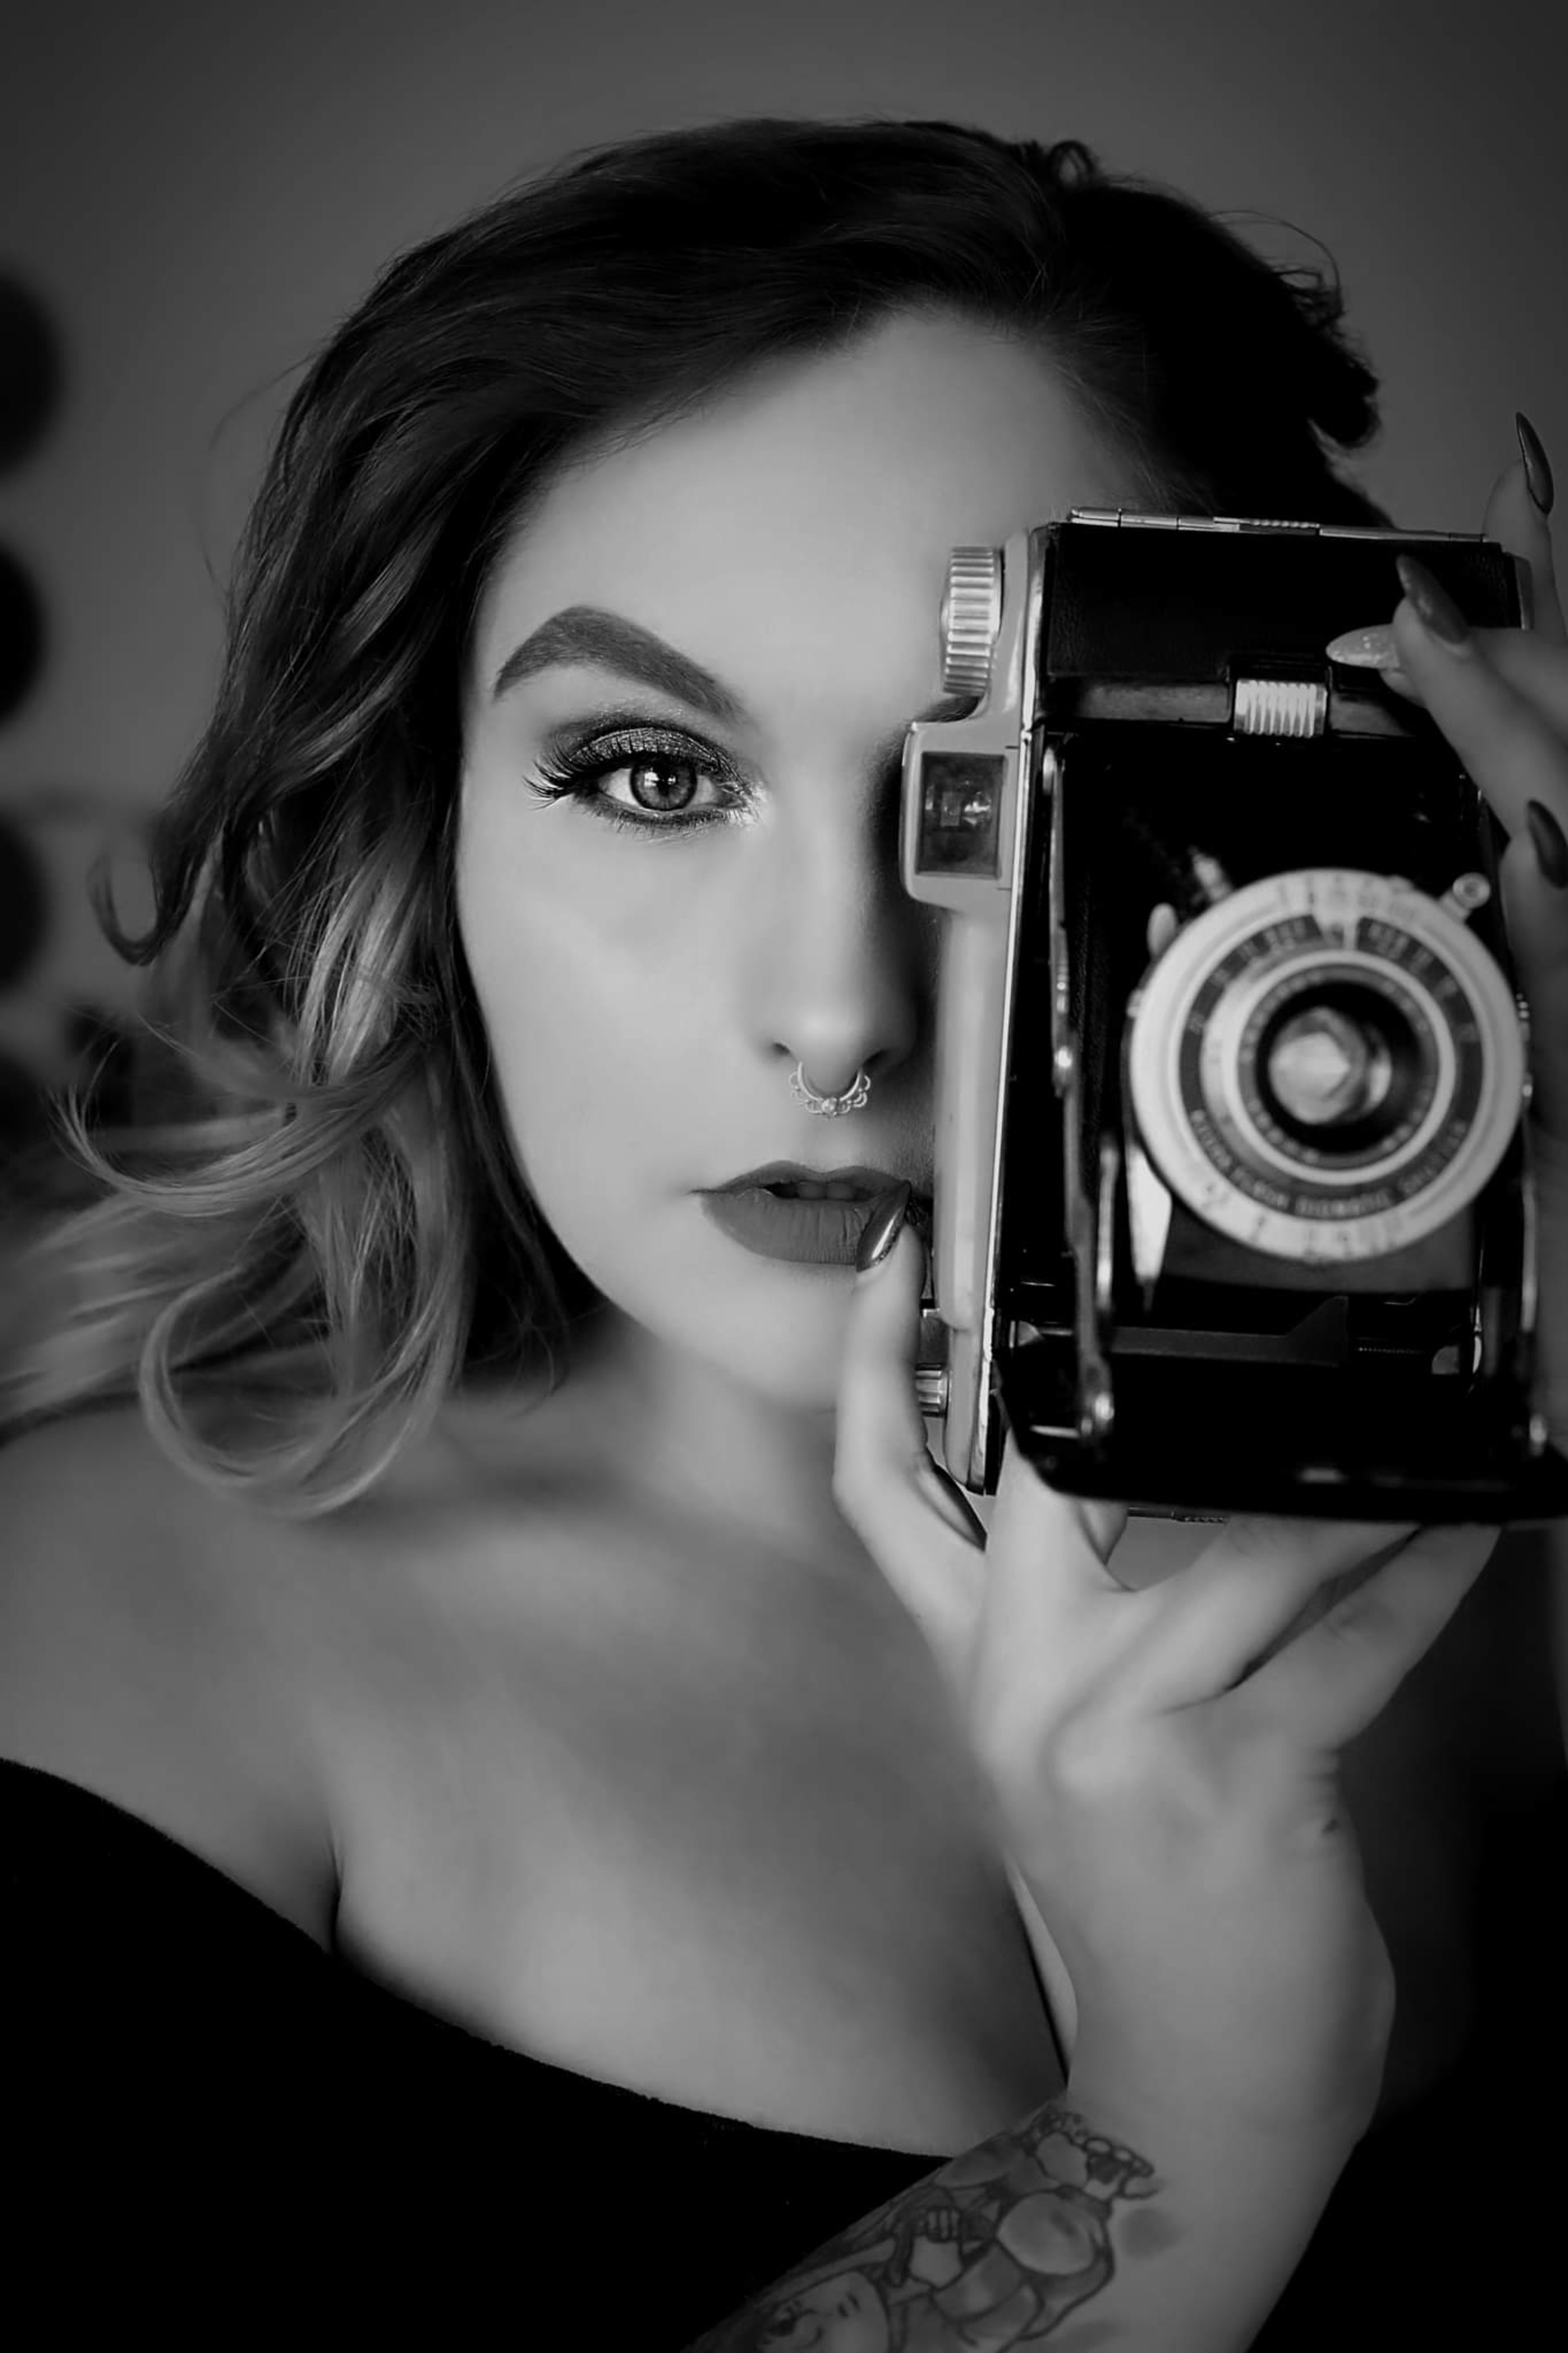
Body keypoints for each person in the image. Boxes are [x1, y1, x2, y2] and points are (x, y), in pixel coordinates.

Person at [1, 116, 1565, 2348]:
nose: (833, 1008)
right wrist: (1190, 2114)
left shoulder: (1507, 1552)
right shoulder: (100, 1640)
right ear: (416, 827)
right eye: (650, 774)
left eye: (982, 796)